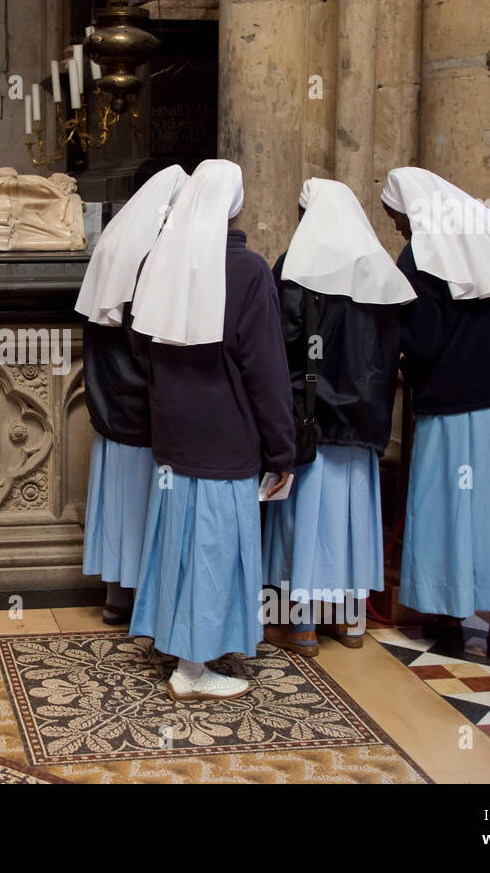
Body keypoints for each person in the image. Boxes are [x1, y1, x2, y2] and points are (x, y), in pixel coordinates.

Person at [128, 159, 296, 701]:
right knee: (214, 550)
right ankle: (192, 669)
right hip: (227, 438)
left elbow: (140, 347)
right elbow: (267, 369)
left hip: (174, 438)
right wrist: (283, 449)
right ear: (234, 205)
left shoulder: (159, 261)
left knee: (181, 545)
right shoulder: (248, 271)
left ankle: (183, 648)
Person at [381, 167, 490, 659]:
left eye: (395, 213)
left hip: (453, 407)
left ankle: (449, 619)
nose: (395, 223)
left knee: (449, 509)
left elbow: (426, 341)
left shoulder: (419, 256)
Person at [262, 178, 416, 657]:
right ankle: (349, 623)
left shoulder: (295, 267)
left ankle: (300, 626)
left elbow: (280, 343)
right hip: (364, 420)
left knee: (303, 527)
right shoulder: (379, 269)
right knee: (351, 523)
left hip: (312, 420)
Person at [75, 164, 189, 624]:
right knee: (144, 505)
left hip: (110, 399)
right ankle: (145, 600)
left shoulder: (115, 244)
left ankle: (116, 598)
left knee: (119, 503)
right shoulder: (158, 256)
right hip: (144, 405)